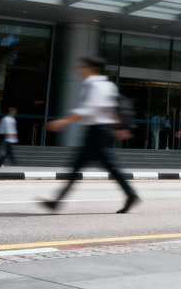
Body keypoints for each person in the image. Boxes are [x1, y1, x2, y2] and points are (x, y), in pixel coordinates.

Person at [41, 56, 139, 214]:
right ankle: (130, 194)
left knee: (83, 167)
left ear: (93, 68)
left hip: (97, 132)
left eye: (83, 67)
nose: (80, 70)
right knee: (104, 167)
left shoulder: (96, 86)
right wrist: (119, 127)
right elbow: (111, 109)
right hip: (99, 131)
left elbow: (89, 109)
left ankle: (57, 201)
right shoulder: (107, 85)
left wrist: (63, 121)